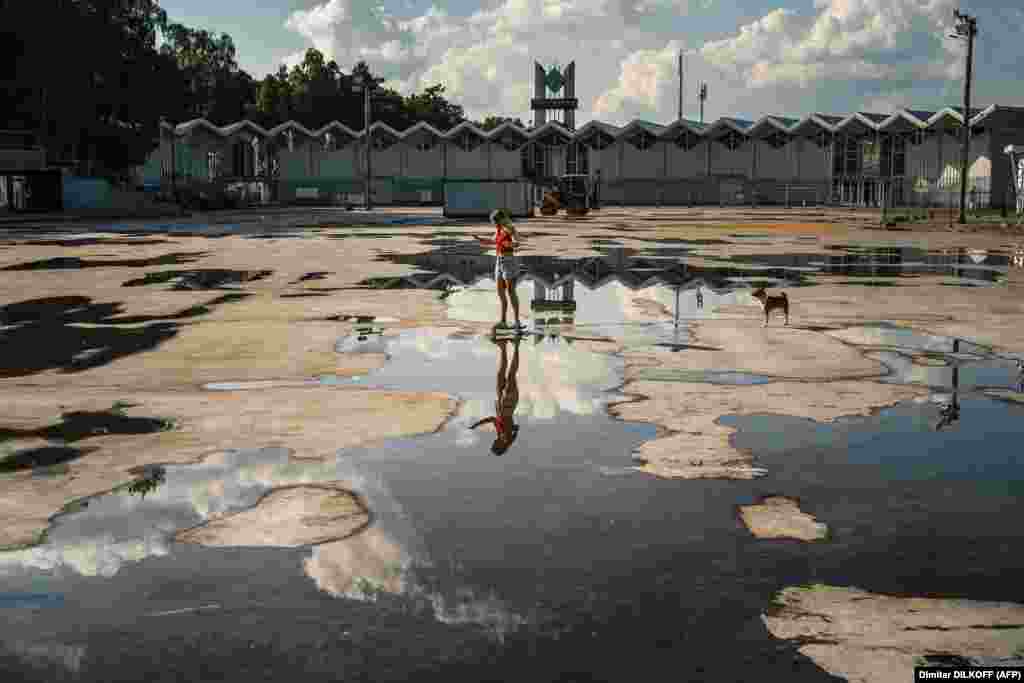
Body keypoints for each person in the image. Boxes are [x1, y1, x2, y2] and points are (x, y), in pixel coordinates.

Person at [469, 336, 521, 455]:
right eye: (494, 445)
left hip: (501, 401)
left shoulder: (501, 434)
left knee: (501, 373)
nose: (493, 442)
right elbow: (511, 430)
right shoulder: (506, 437)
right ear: (500, 445)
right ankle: (517, 346)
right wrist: (510, 431)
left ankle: (502, 346)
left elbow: (493, 419)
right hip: (509, 402)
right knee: (511, 375)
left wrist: (476, 425)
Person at [476, 208, 524, 333]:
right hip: (499, 261)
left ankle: (517, 322)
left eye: (495, 222)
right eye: (493, 223)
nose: (495, 224)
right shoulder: (498, 229)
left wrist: (511, 244)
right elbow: (494, 241)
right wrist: (481, 239)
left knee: (511, 291)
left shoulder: (510, 228)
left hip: (509, 261)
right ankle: (503, 321)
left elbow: (518, 242)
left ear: (501, 219)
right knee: (501, 293)